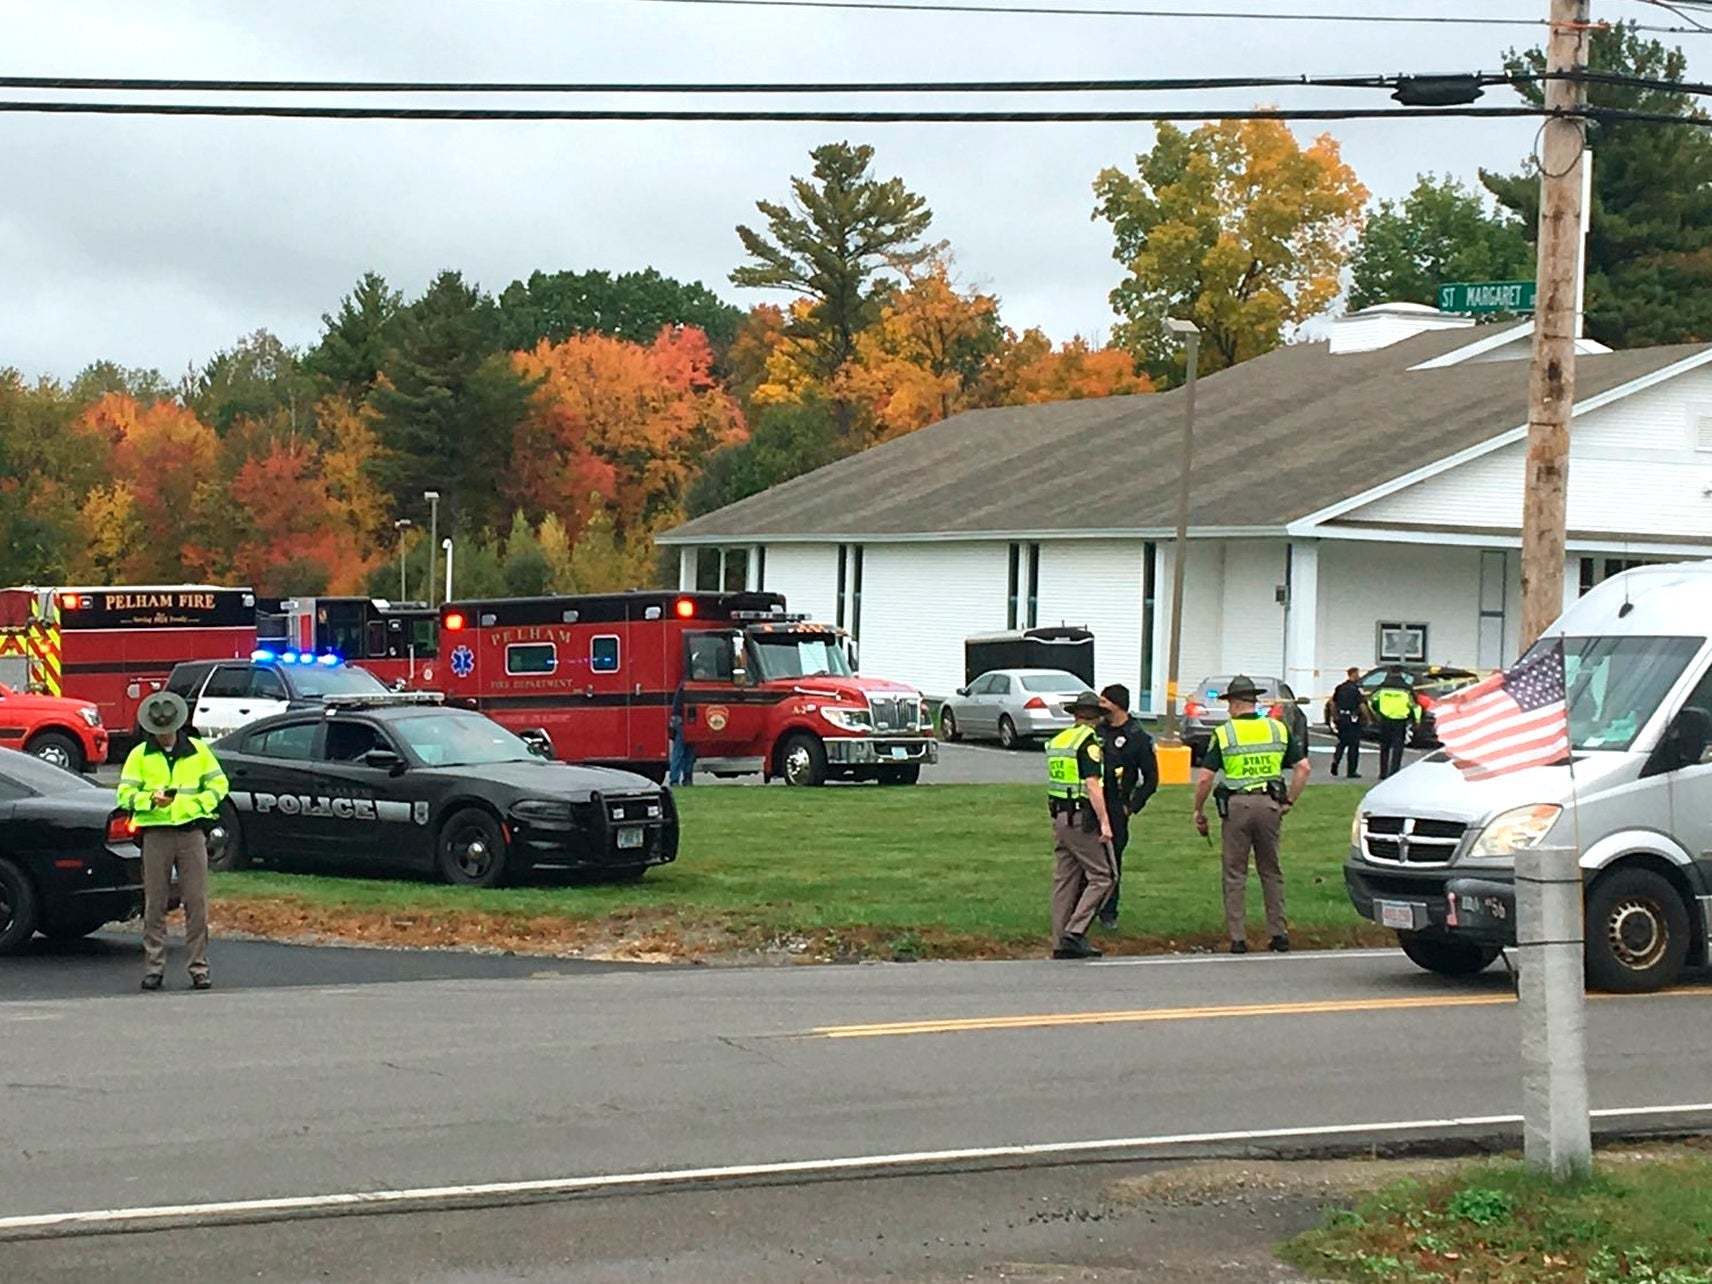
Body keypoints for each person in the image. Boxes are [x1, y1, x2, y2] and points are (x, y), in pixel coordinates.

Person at [116, 691, 229, 991]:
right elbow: (124, 794)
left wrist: (197, 806)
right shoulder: (139, 755)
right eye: (158, 729)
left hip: (191, 833)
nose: (164, 733)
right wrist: (150, 800)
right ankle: (154, 968)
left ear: (177, 725)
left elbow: (220, 784)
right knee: (155, 903)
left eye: (168, 728)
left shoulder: (198, 751)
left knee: (196, 902)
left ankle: (199, 968)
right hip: (156, 835)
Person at [1191, 674, 1311, 954]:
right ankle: (1279, 934)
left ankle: (1238, 938)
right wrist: (1289, 800)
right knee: (1271, 870)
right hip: (1270, 805)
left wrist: (1198, 809)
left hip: (1237, 807)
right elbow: (1303, 768)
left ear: (1233, 703)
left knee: (1235, 873)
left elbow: (1205, 778)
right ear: (1254, 701)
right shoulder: (1277, 729)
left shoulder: (1225, 733)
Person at [1045, 690, 1117, 960]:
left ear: (1075, 715)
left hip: (1060, 817)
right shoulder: (1089, 743)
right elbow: (1092, 785)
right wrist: (1105, 822)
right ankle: (1075, 933)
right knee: (1104, 876)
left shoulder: (1059, 741)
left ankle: (1059, 941)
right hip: (1080, 818)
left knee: (1065, 880)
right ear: (1097, 717)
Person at [1095, 683, 1158, 930]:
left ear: (1117, 705)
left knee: (1112, 862)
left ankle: (1109, 912)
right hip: (1092, 803)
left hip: (1116, 806)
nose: (1100, 707)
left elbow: (1151, 779)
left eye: (1104, 702)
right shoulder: (1097, 731)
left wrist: (1131, 806)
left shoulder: (1136, 736)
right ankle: (1083, 909)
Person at [1372, 665, 1419, 780]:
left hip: (1385, 720)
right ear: (1401, 673)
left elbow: (1373, 700)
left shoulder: (1382, 687)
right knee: (1398, 748)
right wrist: (1416, 720)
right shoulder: (1406, 688)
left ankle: (1383, 773)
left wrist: (1377, 712)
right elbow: (1415, 706)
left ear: (1389, 672)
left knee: (1384, 747)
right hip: (1400, 721)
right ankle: (1394, 772)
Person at [1328, 666, 1368, 779]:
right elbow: (1362, 705)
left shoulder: (1340, 688)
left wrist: (1335, 716)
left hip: (1342, 718)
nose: (1359, 676)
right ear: (1353, 674)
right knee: (1353, 746)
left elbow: (1332, 703)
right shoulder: (1356, 690)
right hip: (1353, 719)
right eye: (1357, 674)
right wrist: (1368, 718)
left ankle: (1336, 760)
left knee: (1342, 742)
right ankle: (1351, 771)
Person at [667, 682, 695, 786]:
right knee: (684, 752)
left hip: (682, 722)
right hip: (684, 723)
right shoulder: (686, 687)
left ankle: (677, 779)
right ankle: (683, 779)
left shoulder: (683, 687)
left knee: (682, 752)